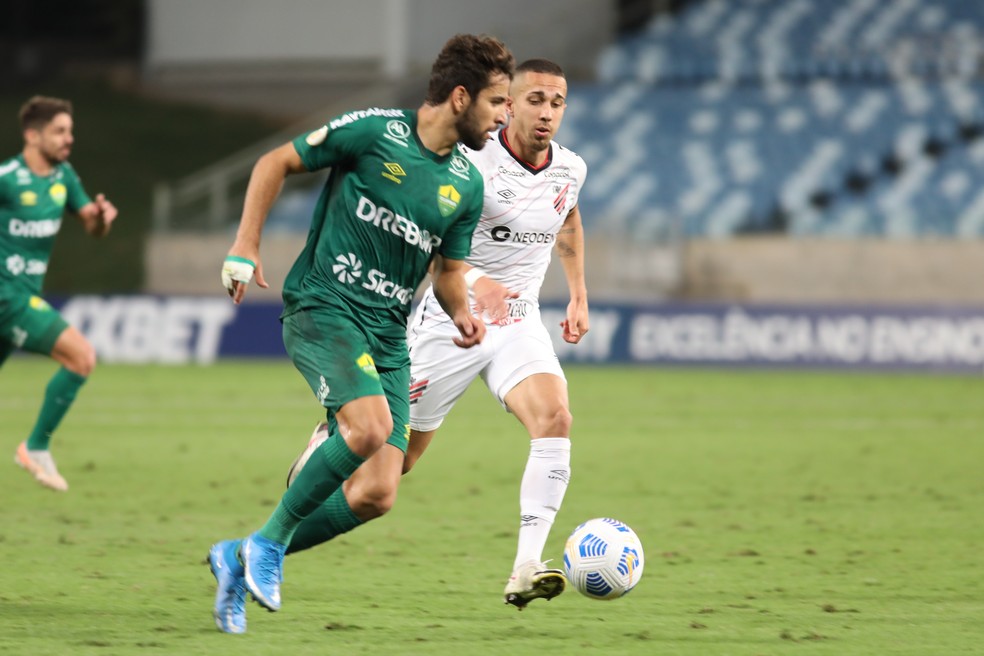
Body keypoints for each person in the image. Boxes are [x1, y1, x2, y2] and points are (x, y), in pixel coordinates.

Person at [206, 34, 515, 634]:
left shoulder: (466, 185)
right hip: (325, 306)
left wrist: (463, 314)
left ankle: (240, 554)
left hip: (388, 336)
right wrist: (245, 243)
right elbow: (276, 162)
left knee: (377, 492)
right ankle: (269, 544)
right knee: (369, 426)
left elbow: (448, 273)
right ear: (460, 97)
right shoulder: (374, 132)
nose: (504, 115)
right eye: (498, 101)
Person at [284, 58, 589, 610]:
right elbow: (428, 248)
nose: (547, 113)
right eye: (535, 100)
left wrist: (578, 292)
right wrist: (477, 278)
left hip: (518, 320)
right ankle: (327, 444)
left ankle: (525, 565)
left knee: (556, 417)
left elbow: (566, 216)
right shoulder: (470, 158)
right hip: (450, 321)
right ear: (510, 103)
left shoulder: (571, 169)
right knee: (394, 465)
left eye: (558, 102)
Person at [1, 96, 118, 492]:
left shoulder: (63, 176)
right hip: (7, 297)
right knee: (81, 356)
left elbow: (91, 225)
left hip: (22, 295)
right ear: (32, 135)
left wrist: (101, 217)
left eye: (70, 131)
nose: (69, 139)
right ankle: (35, 448)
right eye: (59, 131)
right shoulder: (6, 178)